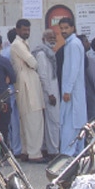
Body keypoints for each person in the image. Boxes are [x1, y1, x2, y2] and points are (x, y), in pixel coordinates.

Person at [10, 19, 46, 163]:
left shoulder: (22, 44)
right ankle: (34, 154)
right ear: (17, 30)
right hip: (27, 84)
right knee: (33, 120)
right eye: (24, 30)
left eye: (28, 30)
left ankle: (26, 151)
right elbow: (33, 63)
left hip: (26, 83)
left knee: (27, 120)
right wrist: (33, 64)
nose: (26, 32)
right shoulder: (18, 44)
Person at [59, 17, 87, 156]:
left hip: (72, 92)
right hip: (72, 91)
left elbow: (74, 69)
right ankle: (75, 154)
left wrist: (68, 90)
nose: (64, 31)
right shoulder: (70, 44)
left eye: (66, 28)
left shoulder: (74, 44)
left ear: (73, 28)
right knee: (74, 124)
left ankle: (68, 155)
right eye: (62, 28)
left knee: (71, 125)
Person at [32, 29, 60, 157]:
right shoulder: (42, 54)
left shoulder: (49, 53)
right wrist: (50, 93)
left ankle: (51, 149)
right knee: (53, 122)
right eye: (50, 37)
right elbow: (43, 76)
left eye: (54, 37)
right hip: (49, 94)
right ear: (43, 39)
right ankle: (53, 151)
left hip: (52, 91)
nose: (53, 39)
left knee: (52, 122)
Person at [1, 28, 23, 156]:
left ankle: (11, 146)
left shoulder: (3, 52)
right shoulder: (14, 50)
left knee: (9, 120)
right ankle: (17, 149)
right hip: (14, 87)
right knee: (15, 119)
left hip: (6, 88)